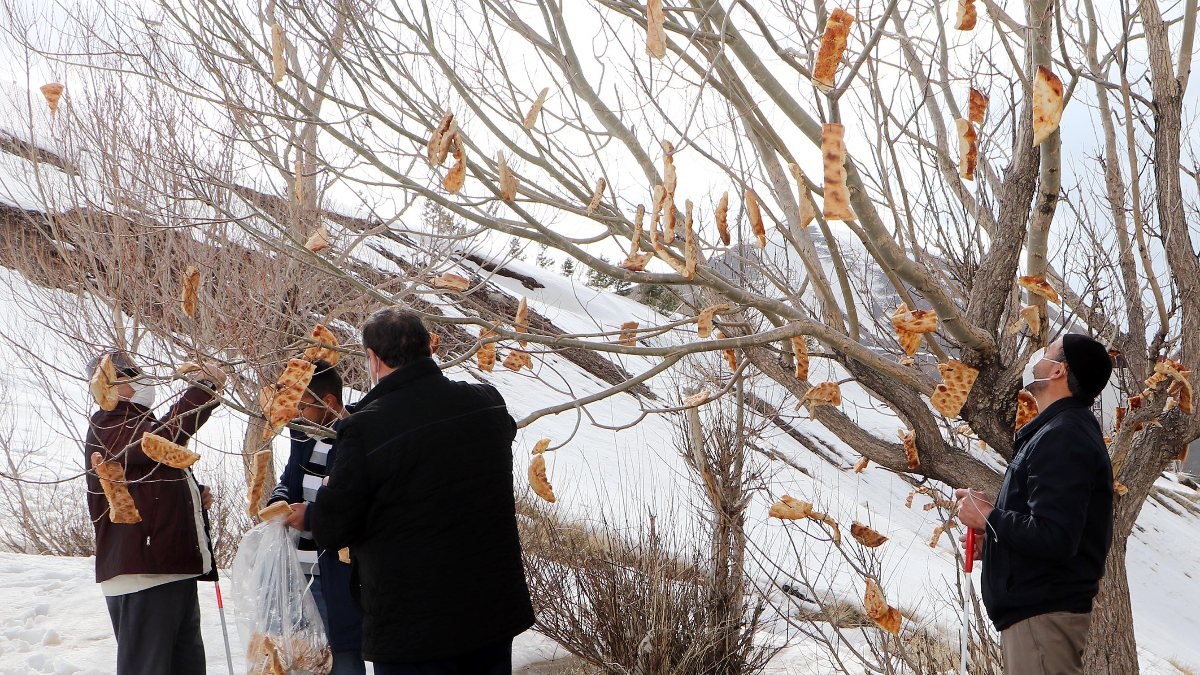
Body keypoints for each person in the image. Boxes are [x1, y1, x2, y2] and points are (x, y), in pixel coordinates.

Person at [292, 308, 535, 674]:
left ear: (372, 359)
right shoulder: (485, 402)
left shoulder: (365, 430)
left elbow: (333, 528)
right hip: (490, 610)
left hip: (412, 626)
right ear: (429, 350)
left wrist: (328, 488)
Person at [956, 333, 1114, 674]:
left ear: (1060, 370)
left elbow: (1056, 537)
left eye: (1047, 351)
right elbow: (1044, 526)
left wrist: (989, 518)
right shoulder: (1056, 431)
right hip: (1035, 617)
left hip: (1042, 617)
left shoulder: (1065, 435)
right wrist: (995, 541)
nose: (1036, 357)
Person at [83, 351, 226, 675]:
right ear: (109, 385)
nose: (142, 378)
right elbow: (157, 443)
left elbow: (152, 472)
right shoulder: (108, 423)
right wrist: (203, 388)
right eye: (131, 373)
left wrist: (191, 494)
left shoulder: (134, 424)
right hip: (142, 574)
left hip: (170, 569)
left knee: (185, 667)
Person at [267, 360, 365, 675]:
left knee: (343, 659)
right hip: (299, 574)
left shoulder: (356, 439)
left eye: (304, 405)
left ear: (329, 403)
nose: (298, 413)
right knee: (303, 661)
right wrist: (279, 501)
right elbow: (289, 480)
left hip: (335, 575)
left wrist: (310, 517)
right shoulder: (303, 435)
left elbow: (353, 503)